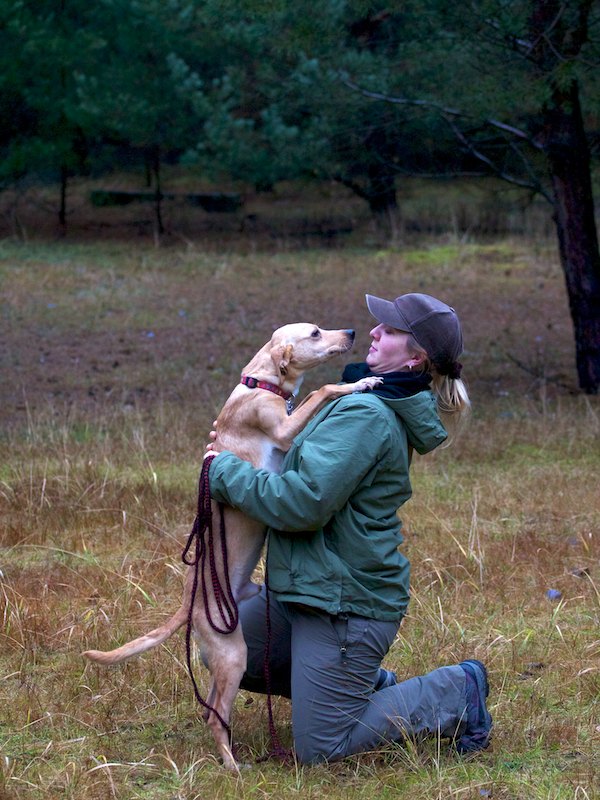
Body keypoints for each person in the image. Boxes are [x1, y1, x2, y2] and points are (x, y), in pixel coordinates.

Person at [207, 292, 492, 764]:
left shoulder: (367, 415)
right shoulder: (363, 394)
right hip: (306, 590)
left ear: (416, 358)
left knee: (321, 747)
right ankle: (358, 684)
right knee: (225, 642)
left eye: (391, 330)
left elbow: (302, 504)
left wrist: (221, 471)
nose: (374, 332)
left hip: (345, 605)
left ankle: (458, 690)